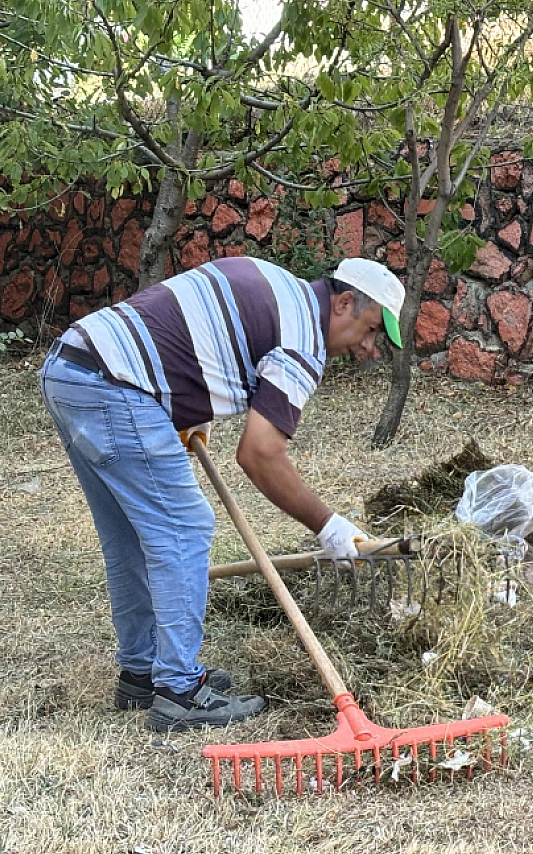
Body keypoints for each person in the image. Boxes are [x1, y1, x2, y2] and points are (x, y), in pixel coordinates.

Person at [39, 256, 403, 730]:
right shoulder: (303, 340)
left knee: (130, 536)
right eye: (372, 330)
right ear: (345, 302)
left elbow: (193, 331)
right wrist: (329, 527)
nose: (370, 348)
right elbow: (260, 454)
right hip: (117, 385)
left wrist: (188, 405)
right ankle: (179, 691)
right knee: (185, 527)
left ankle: (142, 673)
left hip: (71, 368)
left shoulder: (274, 282)